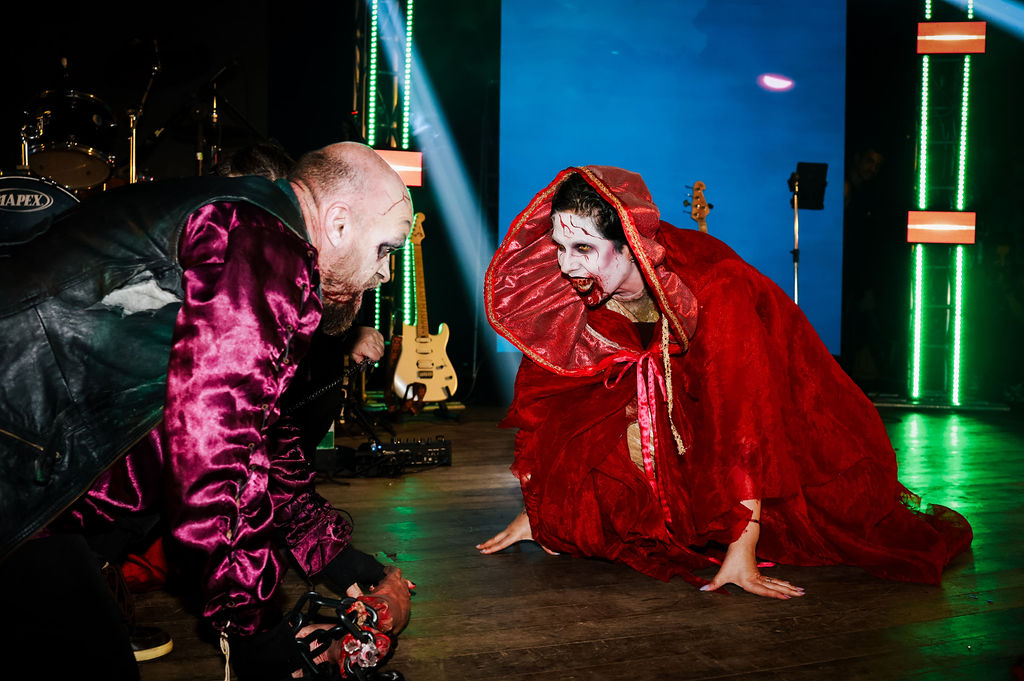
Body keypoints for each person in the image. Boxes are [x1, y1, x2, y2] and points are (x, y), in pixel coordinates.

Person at [0, 141, 414, 679]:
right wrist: (255, 630)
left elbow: (259, 430)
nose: (384, 274)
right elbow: (219, 450)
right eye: (384, 249)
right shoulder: (263, 243)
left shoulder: (242, 222)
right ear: (337, 224)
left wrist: (334, 556)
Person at [478, 167, 972, 599]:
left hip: (757, 382)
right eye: (560, 247)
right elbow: (556, 397)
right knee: (599, 424)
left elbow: (743, 416)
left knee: (824, 513)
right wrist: (543, 512)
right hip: (678, 384)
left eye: (583, 248)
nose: (567, 264)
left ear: (630, 242)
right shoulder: (581, 281)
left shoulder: (716, 287)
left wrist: (742, 549)